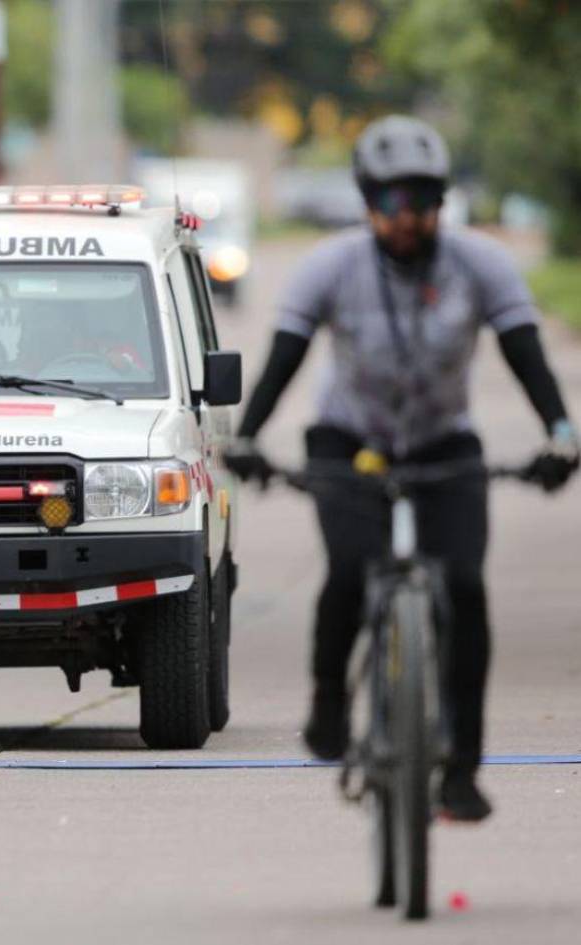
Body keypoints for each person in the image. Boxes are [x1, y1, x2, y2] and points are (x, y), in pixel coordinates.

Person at [226, 115, 579, 822]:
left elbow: (524, 351)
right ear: (366, 203)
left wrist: (560, 434)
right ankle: (329, 699)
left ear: (442, 203)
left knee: (467, 589)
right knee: (352, 570)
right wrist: (249, 436)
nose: (407, 216)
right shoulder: (333, 265)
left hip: (444, 441)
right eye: (391, 201)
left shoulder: (481, 264)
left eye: (422, 200)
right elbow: (285, 357)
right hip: (347, 438)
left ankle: (461, 771)